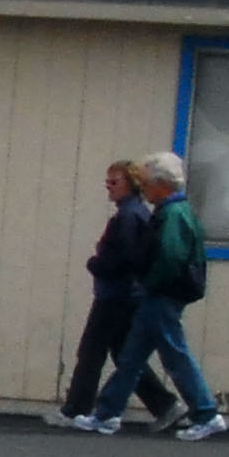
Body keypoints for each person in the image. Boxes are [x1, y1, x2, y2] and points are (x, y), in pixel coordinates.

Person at [74, 151, 229, 438]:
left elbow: (170, 257)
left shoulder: (171, 215)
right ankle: (106, 413)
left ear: (162, 184)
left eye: (146, 184)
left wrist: (149, 281)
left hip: (162, 296)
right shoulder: (173, 212)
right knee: (131, 356)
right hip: (157, 296)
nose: (143, 189)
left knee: (174, 355)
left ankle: (206, 413)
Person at [52, 157, 179, 428]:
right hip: (127, 295)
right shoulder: (136, 213)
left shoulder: (128, 217)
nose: (109, 186)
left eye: (114, 181)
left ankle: (76, 408)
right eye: (107, 181)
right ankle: (164, 404)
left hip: (116, 296)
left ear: (131, 184)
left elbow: (125, 258)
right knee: (125, 355)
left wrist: (96, 264)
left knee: (91, 352)